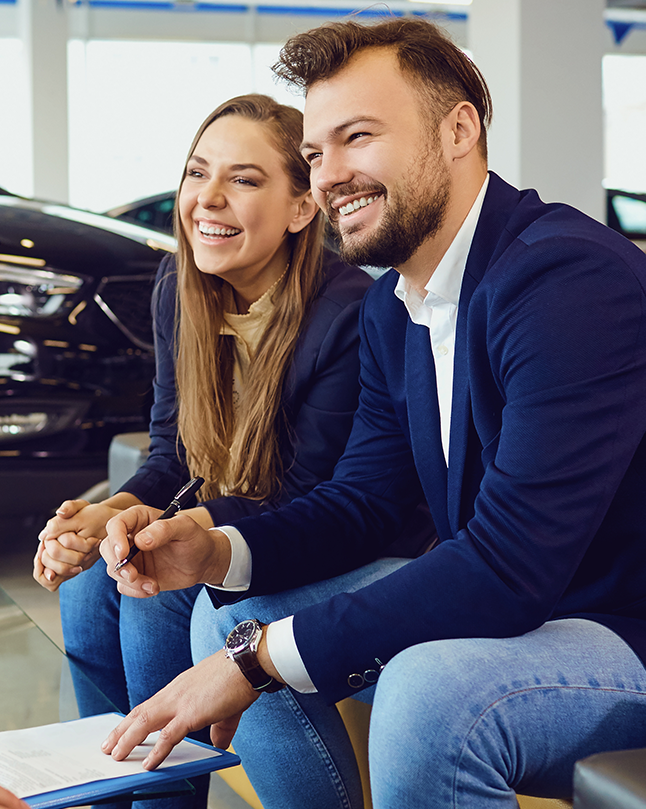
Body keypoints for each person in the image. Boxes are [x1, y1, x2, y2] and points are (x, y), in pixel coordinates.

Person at [98, 17, 646, 809]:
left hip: (639, 627)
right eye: (316, 153)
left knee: (427, 692)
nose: (329, 175)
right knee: (226, 617)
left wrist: (258, 661)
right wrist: (214, 551)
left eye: (358, 137)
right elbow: (363, 503)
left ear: (459, 129)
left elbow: (512, 564)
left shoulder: (566, 281)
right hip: (533, 603)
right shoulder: (394, 306)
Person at [31, 94, 389, 808]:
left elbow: (308, 491)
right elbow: (171, 456)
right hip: (239, 518)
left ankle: (166, 801)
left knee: (150, 594)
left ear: (300, 208)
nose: (208, 198)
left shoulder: (348, 312)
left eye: (245, 179)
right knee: (96, 578)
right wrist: (110, 514)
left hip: (327, 533)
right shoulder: (180, 288)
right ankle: (109, 790)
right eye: (198, 172)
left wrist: (166, 532)